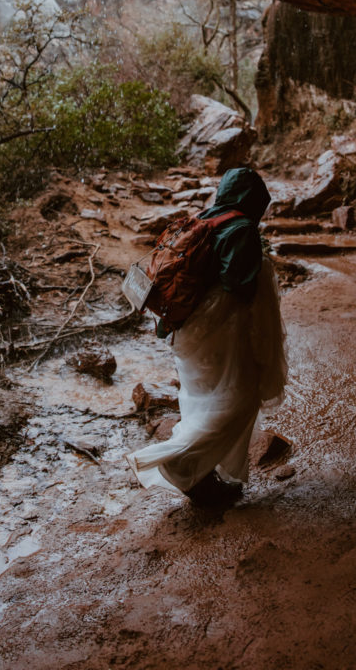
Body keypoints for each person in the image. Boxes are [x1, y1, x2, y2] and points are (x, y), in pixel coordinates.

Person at [127, 166, 287, 507]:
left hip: (186, 331)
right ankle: (177, 462)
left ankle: (205, 476)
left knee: (206, 399)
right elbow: (238, 287)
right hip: (219, 333)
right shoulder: (241, 227)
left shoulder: (203, 217)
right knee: (239, 400)